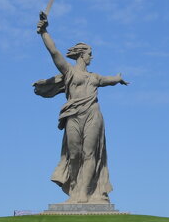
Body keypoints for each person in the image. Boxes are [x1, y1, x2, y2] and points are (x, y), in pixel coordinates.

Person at [35, 13, 127, 203]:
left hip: (93, 114)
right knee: (74, 154)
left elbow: (110, 80)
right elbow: (54, 53)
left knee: (89, 153)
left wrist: (118, 78)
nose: (91, 57)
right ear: (82, 54)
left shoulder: (95, 77)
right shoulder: (69, 72)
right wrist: (44, 31)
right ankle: (75, 191)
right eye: (90, 53)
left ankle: (84, 193)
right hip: (73, 115)